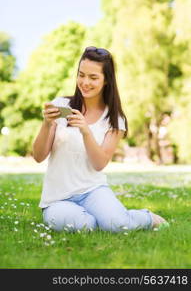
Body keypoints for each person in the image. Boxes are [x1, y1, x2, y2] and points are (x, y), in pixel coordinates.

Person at [32, 46, 167, 232]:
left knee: (118, 225)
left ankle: (146, 218)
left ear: (106, 81)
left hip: (93, 191)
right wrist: (47, 124)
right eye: (81, 75)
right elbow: (38, 156)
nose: (85, 82)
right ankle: (94, 216)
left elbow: (99, 163)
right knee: (85, 226)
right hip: (57, 198)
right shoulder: (61, 105)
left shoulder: (114, 119)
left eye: (93, 77)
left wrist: (86, 131)